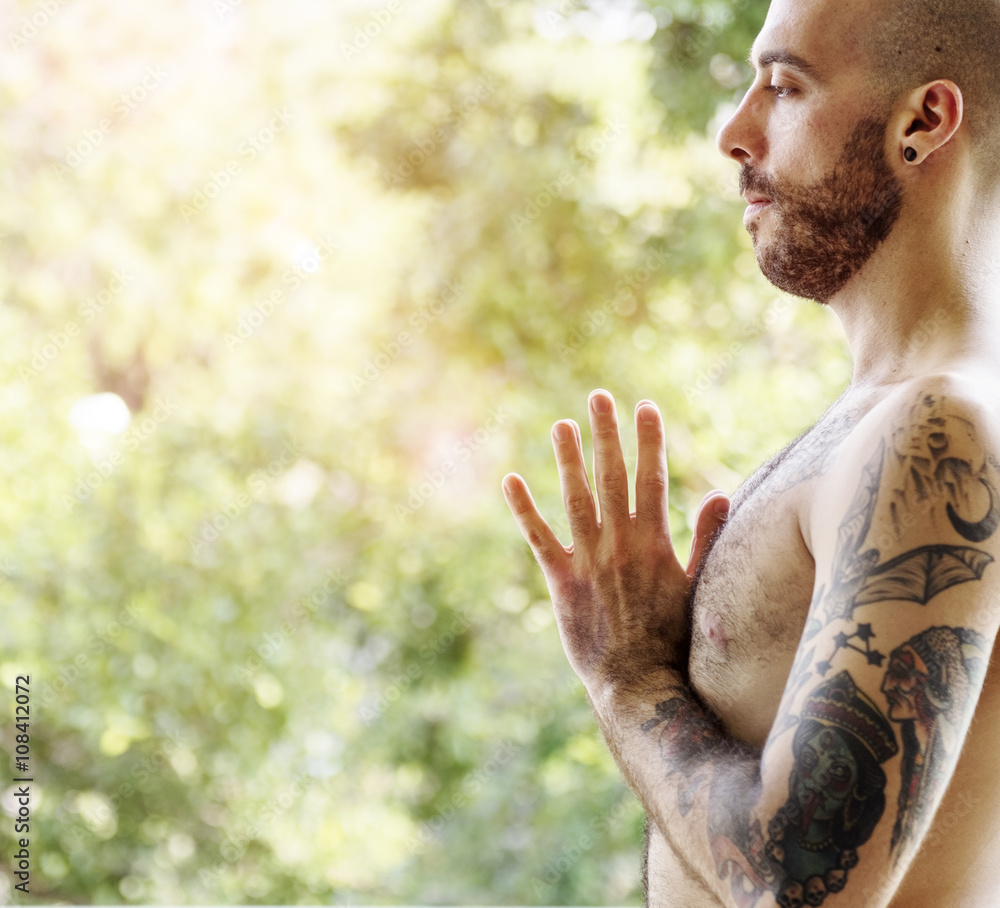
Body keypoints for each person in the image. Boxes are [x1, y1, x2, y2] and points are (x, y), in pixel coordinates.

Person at [502, 0, 1000, 903]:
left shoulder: (939, 433)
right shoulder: (882, 419)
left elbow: (802, 888)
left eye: (785, 86)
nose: (733, 132)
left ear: (923, 123)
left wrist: (629, 679)